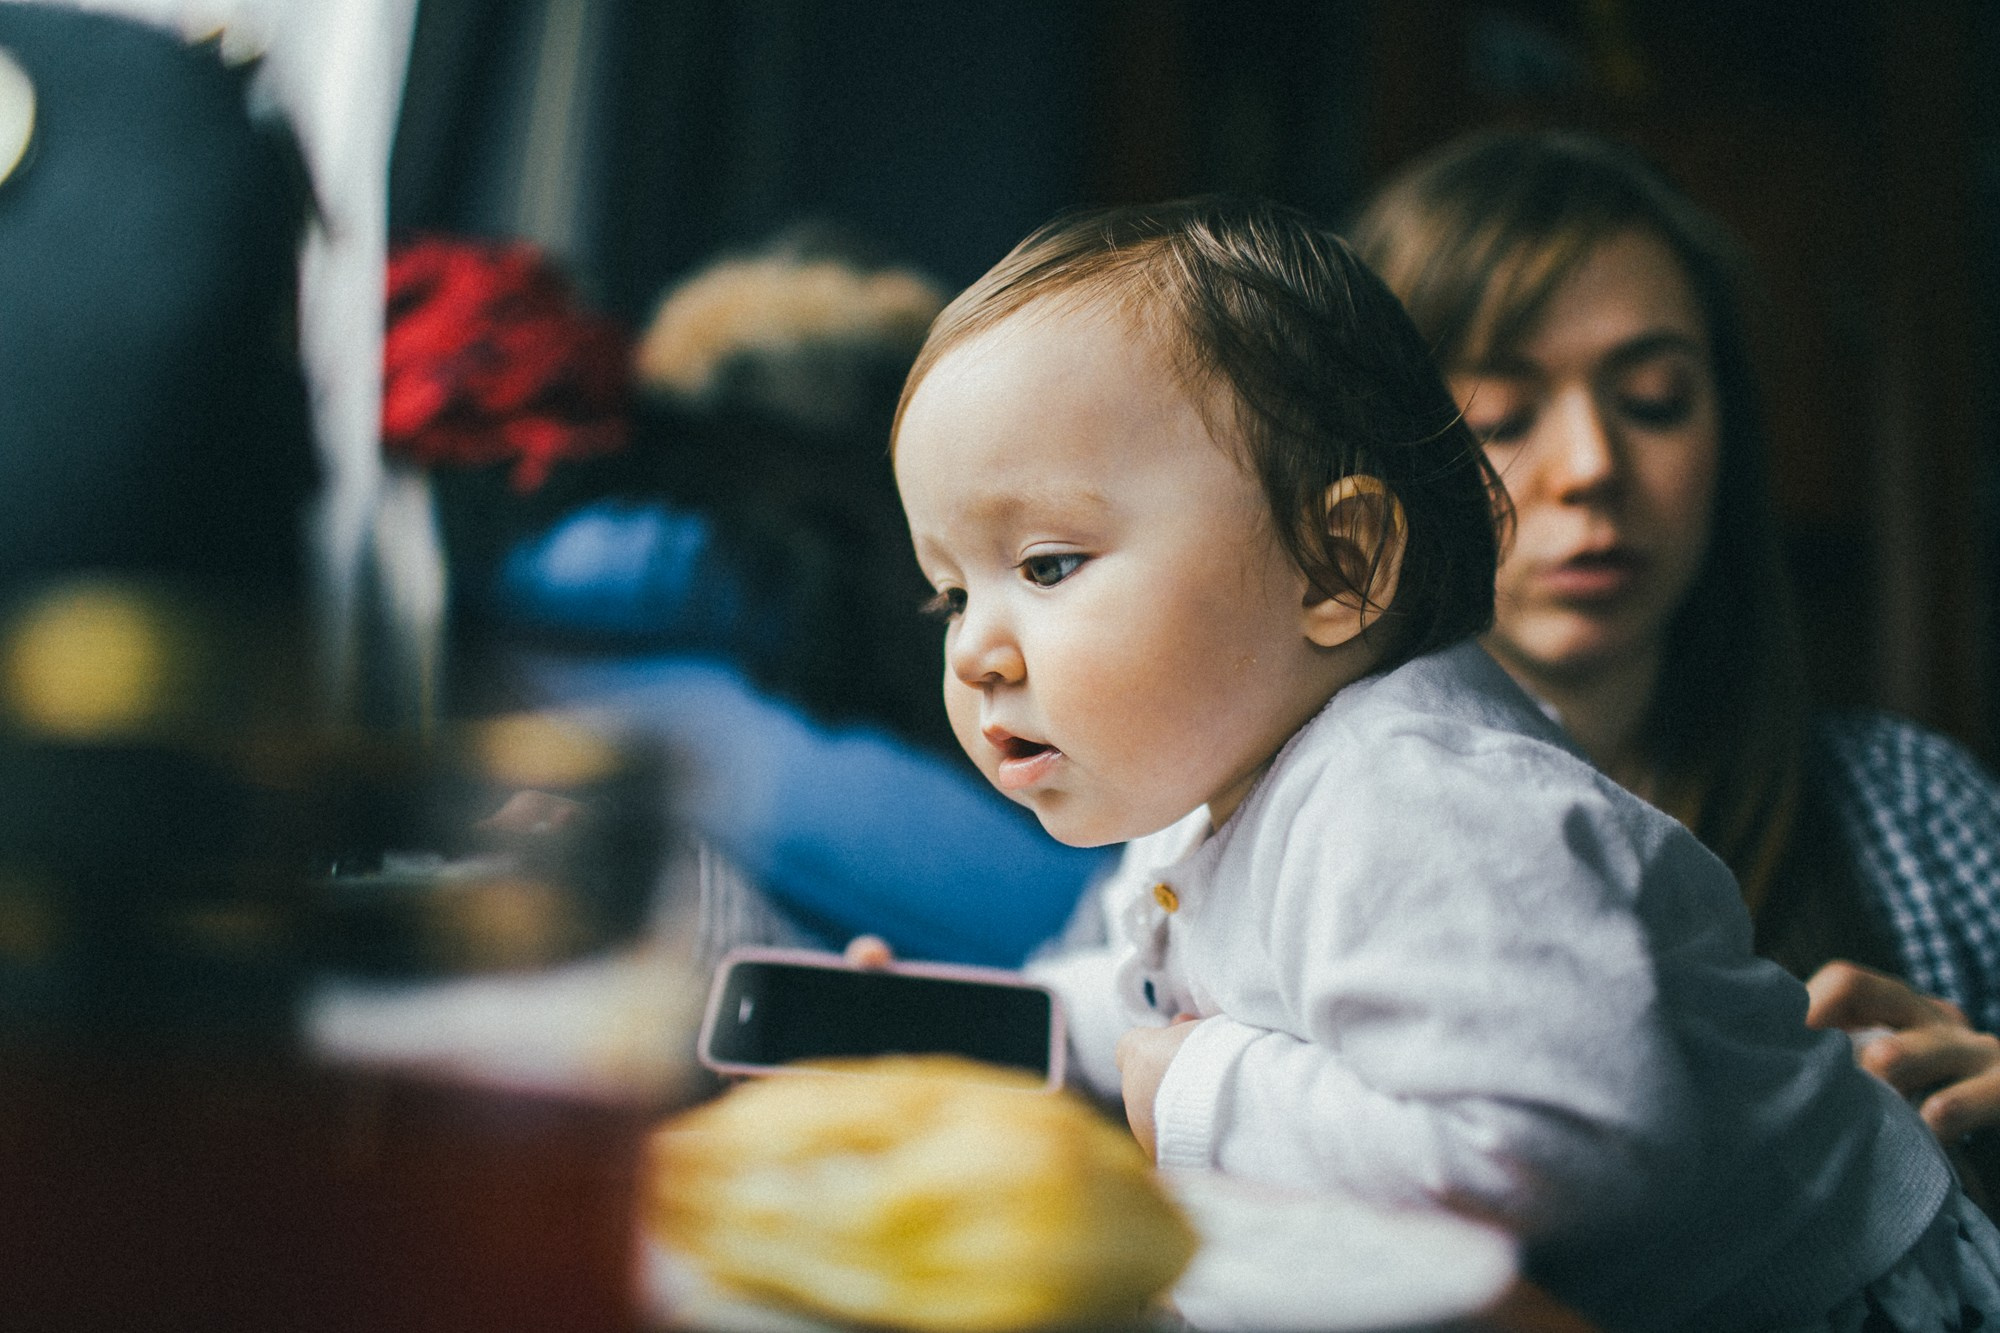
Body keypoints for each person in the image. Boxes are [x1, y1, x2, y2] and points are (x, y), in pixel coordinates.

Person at [889, 194, 1999, 1330]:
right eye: (949, 589)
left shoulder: (1422, 800)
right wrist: (950, 1030)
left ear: (1337, 563)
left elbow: (1556, 1147)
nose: (973, 649)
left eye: (1049, 563)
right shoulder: (1197, 796)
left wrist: (1205, 1091)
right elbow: (1140, 1002)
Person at [1347, 128, 2000, 1186]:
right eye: (1500, 415)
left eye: (1653, 399)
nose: (1592, 466)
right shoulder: (1248, 847)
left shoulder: (1911, 811)